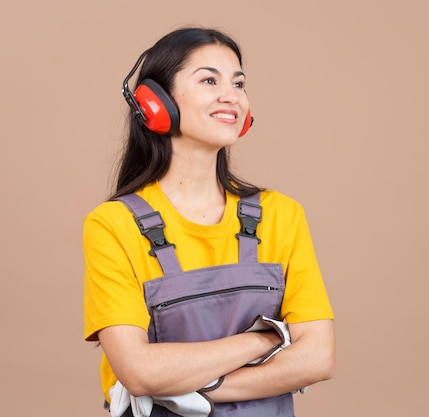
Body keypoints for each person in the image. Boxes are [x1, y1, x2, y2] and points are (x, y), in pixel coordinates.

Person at [83, 26, 335, 417]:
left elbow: (318, 357)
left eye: (238, 82)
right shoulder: (113, 224)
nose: (230, 95)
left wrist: (196, 389)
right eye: (208, 80)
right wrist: (264, 340)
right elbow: (139, 372)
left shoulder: (281, 215)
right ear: (155, 103)